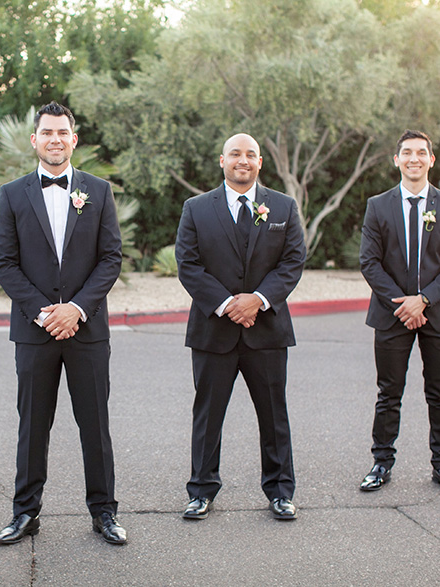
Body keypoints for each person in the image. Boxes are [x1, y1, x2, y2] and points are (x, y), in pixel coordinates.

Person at [0, 102, 126, 545]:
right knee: (32, 425)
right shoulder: (13, 194)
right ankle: (24, 512)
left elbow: (110, 259)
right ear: (35, 140)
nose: (54, 139)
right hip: (35, 331)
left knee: (95, 425)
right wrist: (45, 312)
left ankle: (104, 512)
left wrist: (78, 309)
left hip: (87, 330)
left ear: (74, 139)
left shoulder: (99, 192)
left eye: (62, 132)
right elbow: (5, 264)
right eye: (47, 132)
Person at [175, 133, 306, 521]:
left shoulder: (282, 206)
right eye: (235, 154)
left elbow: (292, 261)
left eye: (250, 154)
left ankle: (280, 491)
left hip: (266, 330)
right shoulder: (196, 208)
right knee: (208, 414)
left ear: (260, 162)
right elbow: (189, 264)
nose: (242, 160)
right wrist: (229, 304)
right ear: (222, 160)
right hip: (214, 331)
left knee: (274, 414)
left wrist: (258, 300)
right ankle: (201, 490)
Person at [358, 130, 440, 493]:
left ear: (431, 160)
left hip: (438, 313)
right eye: (407, 152)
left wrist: (423, 299)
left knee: (439, 394)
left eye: (421, 153)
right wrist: (403, 303)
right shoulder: (378, 205)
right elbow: (369, 263)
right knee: (388, 392)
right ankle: (381, 463)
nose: (414, 159)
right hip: (391, 315)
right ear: (397, 160)